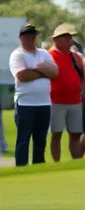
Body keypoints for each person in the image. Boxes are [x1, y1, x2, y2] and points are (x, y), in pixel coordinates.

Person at [9, 22, 55, 167]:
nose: (30, 39)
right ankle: (21, 167)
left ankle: (38, 166)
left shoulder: (44, 53)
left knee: (41, 139)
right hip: (25, 103)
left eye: (33, 36)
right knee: (24, 139)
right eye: (27, 36)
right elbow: (22, 76)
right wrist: (43, 72)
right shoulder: (17, 55)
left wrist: (34, 70)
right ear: (21, 38)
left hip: (44, 102)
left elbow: (55, 73)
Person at [48, 23, 85, 163]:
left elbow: (82, 79)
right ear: (56, 40)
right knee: (56, 133)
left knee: (76, 134)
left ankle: (76, 161)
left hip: (75, 100)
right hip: (56, 101)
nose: (69, 40)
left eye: (70, 37)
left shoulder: (76, 57)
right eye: (65, 37)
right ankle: (57, 164)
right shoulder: (49, 55)